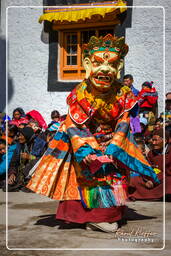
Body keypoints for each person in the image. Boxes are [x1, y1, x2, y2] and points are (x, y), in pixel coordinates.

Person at [27, 34, 158, 233]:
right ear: (88, 65)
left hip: (112, 144)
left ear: (118, 67)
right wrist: (85, 150)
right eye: (98, 63)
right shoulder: (80, 93)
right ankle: (90, 217)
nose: (105, 69)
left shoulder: (123, 93)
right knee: (90, 178)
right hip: (87, 143)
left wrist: (114, 145)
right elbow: (74, 125)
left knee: (115, 178)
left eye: (111, 64)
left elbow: (123, 122)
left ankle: (107, 216)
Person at [128, 129, 171, 200]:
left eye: (155, 140)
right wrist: (148, 180)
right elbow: (149, 168)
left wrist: (156, 180)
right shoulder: (151, 153)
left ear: (165, 141)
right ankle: (159, 195)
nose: (153, 143)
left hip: (165, 179)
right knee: (134, 180)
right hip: (152, 178)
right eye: (152, 140)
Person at [6, 127, 46, 192]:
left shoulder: (40, 144)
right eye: (19, 135)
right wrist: (12, 173)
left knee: (33, 162)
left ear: (27, 135)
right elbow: (14, 162)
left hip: (35, 174)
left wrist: (31, 157)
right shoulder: (19, 146)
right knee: (8, 185)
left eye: (21, 135)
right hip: (22, 173)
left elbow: (44, 161)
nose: (19, 137)